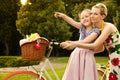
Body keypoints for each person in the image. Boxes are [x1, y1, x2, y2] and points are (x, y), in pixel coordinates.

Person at [60, 3, 120, 80]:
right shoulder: (97, 29)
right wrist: (86, 54)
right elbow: (100, 48)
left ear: (103, 16)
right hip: (112, 57)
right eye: (91, 13)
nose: (92, 16)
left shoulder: (108, 27)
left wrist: (74, 44)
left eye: (95, 14)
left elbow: (94, 45)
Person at [54, 9, 103, 80]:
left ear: (91, 17)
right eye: (82, 18)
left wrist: (72, 43)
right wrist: (63, 16)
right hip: (77, 54)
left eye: (86, 16)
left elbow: (86, 41)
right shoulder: (82, 27)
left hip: (87, 56)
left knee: (87, 75)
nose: (84, 19)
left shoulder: (95, 31)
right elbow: (72, 22)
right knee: (74, 75)